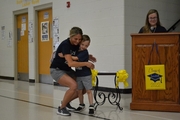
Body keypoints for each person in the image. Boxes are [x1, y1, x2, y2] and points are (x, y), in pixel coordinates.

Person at [50, 27, 96, 116]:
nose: (78, 41)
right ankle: (61, 108)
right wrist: (86, 63)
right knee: (74, 85)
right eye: (75, 39)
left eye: (79, 39)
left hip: (67, 70)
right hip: (57, 70)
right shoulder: (66, 44)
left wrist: (88, 56)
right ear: (70, 36)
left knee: (82, 89)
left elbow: (78, 54)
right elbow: (71, 63)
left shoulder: (76, 44)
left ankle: (66, 102)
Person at [72, 35, 94, 115]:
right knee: (79, 91)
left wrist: (65, 55)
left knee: (88, 90)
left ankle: (91, 105)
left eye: (86, 45)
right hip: (78, 74)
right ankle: (81, 104)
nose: (84, 47)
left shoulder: (84, 52)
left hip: (86, 74)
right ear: (79, 43)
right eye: (82, 45)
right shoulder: (76, 50)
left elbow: (75, 59)